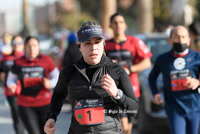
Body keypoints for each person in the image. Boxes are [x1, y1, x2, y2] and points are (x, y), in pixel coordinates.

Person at [44, 21, 138, 134]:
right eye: (87, 43)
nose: (93, 48)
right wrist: (51, 117)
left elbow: (133, 110)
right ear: (79, 46)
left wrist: (117, 94)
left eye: (97, 42)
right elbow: (58, 95)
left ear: (103, 44)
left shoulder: (116, 70)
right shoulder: (69, 71)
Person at [104, 12, 152, 134]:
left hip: (132, 89)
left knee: (128, 127)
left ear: (125, 25)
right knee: (123, 124)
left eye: (121, 22)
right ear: (110, 25)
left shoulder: (135, 42)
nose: (118, 25)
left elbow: (147, 63)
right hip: (113, 90)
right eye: (115, 23)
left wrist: (129, 69)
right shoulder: (106, 45)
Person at [149, 25, 200, 134]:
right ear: (170, 40)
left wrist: (198, 82)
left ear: (189, 40)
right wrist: (155, 94)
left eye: (183, 37)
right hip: (174, 108)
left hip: (194, 107)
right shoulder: (162, 59)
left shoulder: (197, 57)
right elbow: (152, 77)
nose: (180, 40)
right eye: (176, 36)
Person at [6, 36, 59, 134]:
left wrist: (50, 84)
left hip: (45, 104)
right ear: (25, 47)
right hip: (26, 105)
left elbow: (57, 77)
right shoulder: (18, 62)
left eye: (34, 46)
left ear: (38, 47)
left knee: (46, 132)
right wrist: (12, 85)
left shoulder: (46, 60)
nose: (32, 49)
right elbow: (10, 80)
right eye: (29, 46)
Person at [0, 35, 25, 134]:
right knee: (17, 118)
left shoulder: (27, 58)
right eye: (15, 43)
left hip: (27, 92)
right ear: (11, 44)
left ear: (23, 45)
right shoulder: (6, 58)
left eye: (19, 43)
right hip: (12, 92)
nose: (17, 45)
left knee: (30, 119)